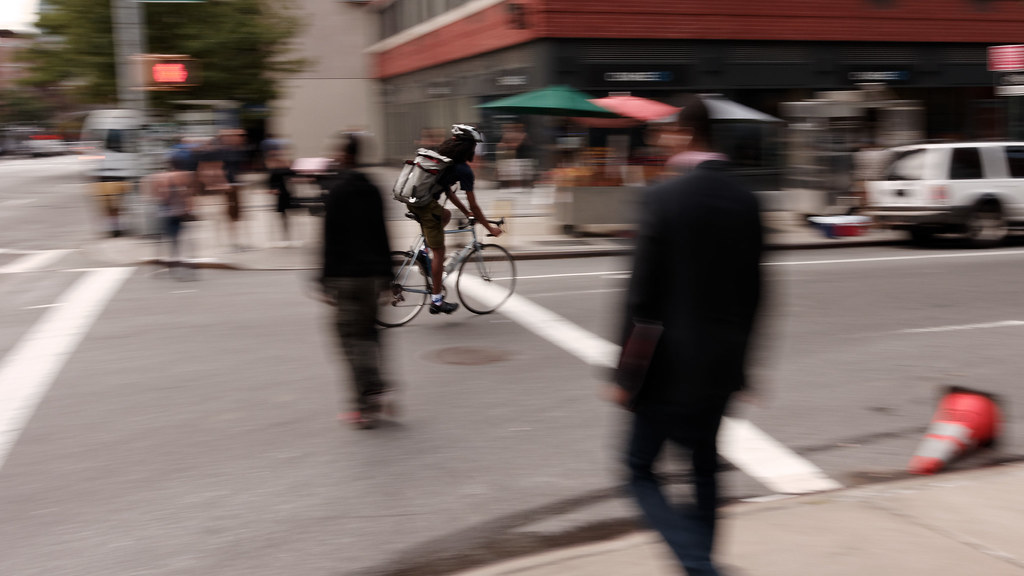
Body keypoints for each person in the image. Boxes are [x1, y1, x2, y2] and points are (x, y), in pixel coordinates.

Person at [610, 95, 764, 576]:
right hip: (720, 368)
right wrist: (742, 369)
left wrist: (626, 376)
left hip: (665, 371)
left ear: (685, 135)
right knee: (703, 468)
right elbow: (757, 295)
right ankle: (703, 560)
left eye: (668, 132)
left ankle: (698, 564)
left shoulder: (661, 198)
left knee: (638, 469)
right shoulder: (747, 201)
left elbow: (641, 301)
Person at [320, 132, 393, 429]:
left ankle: (366, 398)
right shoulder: (373, 189)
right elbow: (382, 233)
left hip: (346, 277)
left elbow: (329, 238)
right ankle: (373, 391)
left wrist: (323, 278)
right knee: (370, 334)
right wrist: (388, 277)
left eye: (339, 152)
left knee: (349, 341)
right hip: (373, 277)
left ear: (347, 155)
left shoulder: (336, 190)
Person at [408, 124, 502, 315]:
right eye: (474, 146)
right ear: (469, 147)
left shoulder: (443, 159)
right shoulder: (463, 170)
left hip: (415, 200)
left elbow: (447, 191)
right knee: (440, 253)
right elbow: (475, 204)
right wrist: (489, 229)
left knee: (446, 216)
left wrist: (466, 212)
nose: (476, 150)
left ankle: (422, 251)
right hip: (427, 206)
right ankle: (436, 301)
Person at [147, 154, 198, 280]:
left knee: (165, 241)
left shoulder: (161, 177)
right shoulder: (186, 176)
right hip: (180, 212)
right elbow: (189, 194)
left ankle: (168, 268)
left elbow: (159, 196)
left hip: (165, 212)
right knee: (183, 240)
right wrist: (189, 207)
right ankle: (185, 268)